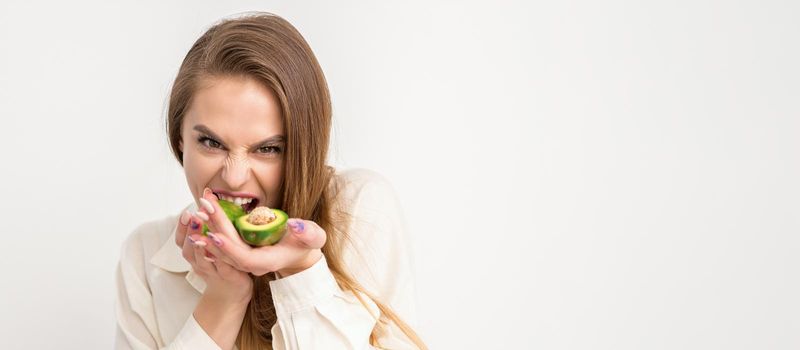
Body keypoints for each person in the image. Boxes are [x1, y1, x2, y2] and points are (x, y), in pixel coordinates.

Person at [113, 12, 427, 350]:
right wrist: (224, 300)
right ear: (179, 141)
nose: (233, 177)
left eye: (268, 149)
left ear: (304, 150)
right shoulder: (145, 255)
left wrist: (300, 270)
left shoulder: (359, 209)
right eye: (211, 143)